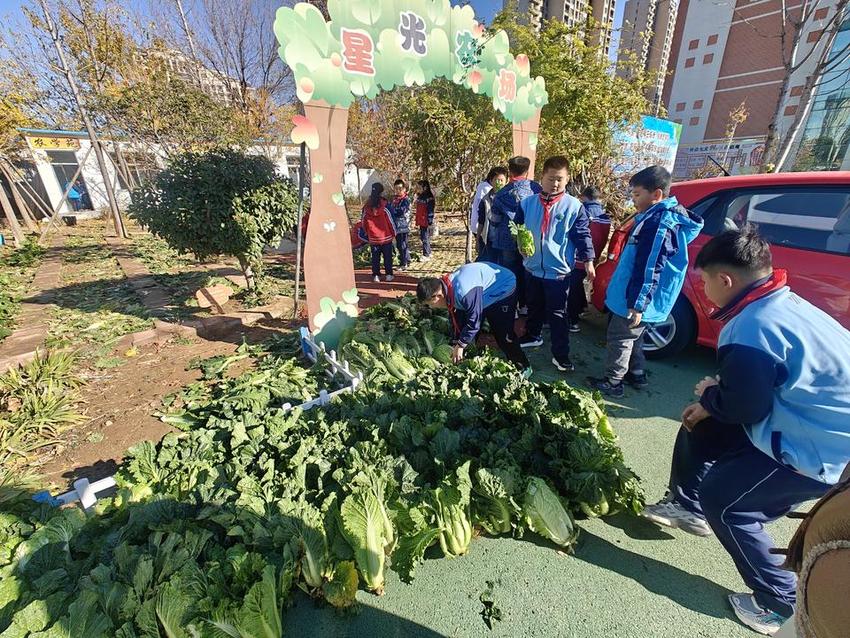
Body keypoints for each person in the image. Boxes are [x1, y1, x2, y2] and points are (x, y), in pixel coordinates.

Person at [640, 227, 850, 636]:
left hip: (825, 447)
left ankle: (780, 600)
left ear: (726, 281)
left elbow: (745, 407)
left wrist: (714, 395)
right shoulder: (780, 301)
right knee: (699, 424)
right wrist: (712, 403)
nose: (702, 289)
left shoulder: (751, 326)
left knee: (727, 501)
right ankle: (686, 506)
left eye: (703, 281)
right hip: (807, 419)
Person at [587, 165, 703, 397]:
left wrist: (637, 303)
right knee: (635, 336)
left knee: (620, 338)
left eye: (637, 195)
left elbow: (649, 267)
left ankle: (613, 382)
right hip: (642, 296)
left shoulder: (658, 224)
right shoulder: (656, 216)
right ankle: (636, 373)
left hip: (636, 297)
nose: (633, 200)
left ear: (656, 194)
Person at [515, 155, 595, 372]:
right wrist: (520, 245)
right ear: (542, 177)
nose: (555, 183)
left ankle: (561, 355)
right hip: (531, 268)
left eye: (560, 179)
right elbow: (518, 229)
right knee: (533, 306)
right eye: (551, 178)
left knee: (558, 315)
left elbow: (582, 235)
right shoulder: (527, 203)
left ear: (567, 179)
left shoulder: (574, 206)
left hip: (558, 273)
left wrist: (588, 261)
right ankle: (533, 335)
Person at [417, 262, 529, 370]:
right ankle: (467, 357)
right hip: (482, 291)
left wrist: (460, 345)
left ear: (437, 296)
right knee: (465, 324)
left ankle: (523, 365)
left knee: (503, 334)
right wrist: (457, 341)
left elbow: (474, 323)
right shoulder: (447, 287)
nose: (431, 307)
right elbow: (457, 319)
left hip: (503, 288)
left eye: (430, 304)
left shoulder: (464, 293)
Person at [486, 156, 542, 313]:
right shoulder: (536, 189)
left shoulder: (502, 193)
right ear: (527, 170)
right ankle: (525, 305)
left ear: (510, 171)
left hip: (506, 240)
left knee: (509, 272)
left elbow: (495, 220)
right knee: (528, 271)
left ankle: (512, 307)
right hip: (530, 239)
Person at [567, 186, 610, 332]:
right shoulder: (605, 217)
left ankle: (572, 320)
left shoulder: (582, 211)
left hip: (579, 258)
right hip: (593, 258)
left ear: (584, 196)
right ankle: (583, 307)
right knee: (579, 285)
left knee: (573, 288)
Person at [361, 183, 396, 283]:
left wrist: (367, 233)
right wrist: (394, 233)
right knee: (388, 257)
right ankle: (389, 274)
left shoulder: (366, 206)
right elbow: (391, 220)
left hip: (373, 237)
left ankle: (376, 275)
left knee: (375, 257)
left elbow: (363, 222)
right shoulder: (385, 205)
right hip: (386, 236)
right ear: (382, 191)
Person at [471, 167, 509, 258]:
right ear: (491, 181)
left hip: (505, 242)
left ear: (506, 181)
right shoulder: (485, 200)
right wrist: (477, 241)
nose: (498, 183)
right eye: (496, 180)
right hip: (489, 240)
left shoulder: (510, 199)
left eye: (501, 180)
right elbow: (481, 221)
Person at [391, 178, 412, 270]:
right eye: (396, 189)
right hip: (397, 226)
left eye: (400, 189)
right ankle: (407, 259)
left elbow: (402, 211)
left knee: (402, 244)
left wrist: (392, 211)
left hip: (403, 226)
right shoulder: (395, 199)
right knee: (401, 244)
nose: (398, 191)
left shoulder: (405, 200)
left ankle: (404, 263)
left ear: (404, 189)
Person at [414, 180, 436, 262]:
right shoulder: (420, 196)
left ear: (425, 187)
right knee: (423, 237)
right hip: (421, 220)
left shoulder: (429, 198)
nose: (418, 189)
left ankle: (426, 254)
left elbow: (430, 210)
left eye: (419, 187)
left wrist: (430, 220)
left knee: (425, 237)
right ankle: (428, 252)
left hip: (425, 221)